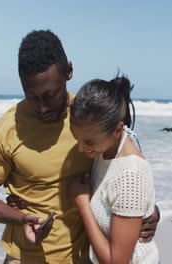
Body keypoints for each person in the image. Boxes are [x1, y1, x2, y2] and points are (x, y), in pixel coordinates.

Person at [0, 30, 159, 264]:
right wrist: (19, 218)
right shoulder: (6, 130)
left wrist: (147, 211)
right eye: (32, 96)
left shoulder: (90, 118)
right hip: (29, 257)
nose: (42, 107)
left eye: (51, 95)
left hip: (88, 256)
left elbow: (123, 174)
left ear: (69, 71)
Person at [68, 75, 159, 264]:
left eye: (89, 142)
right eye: (77, 139)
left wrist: (83, 203)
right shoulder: (105, 150)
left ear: (118, 130)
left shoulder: (130, 175)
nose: (80, 148)